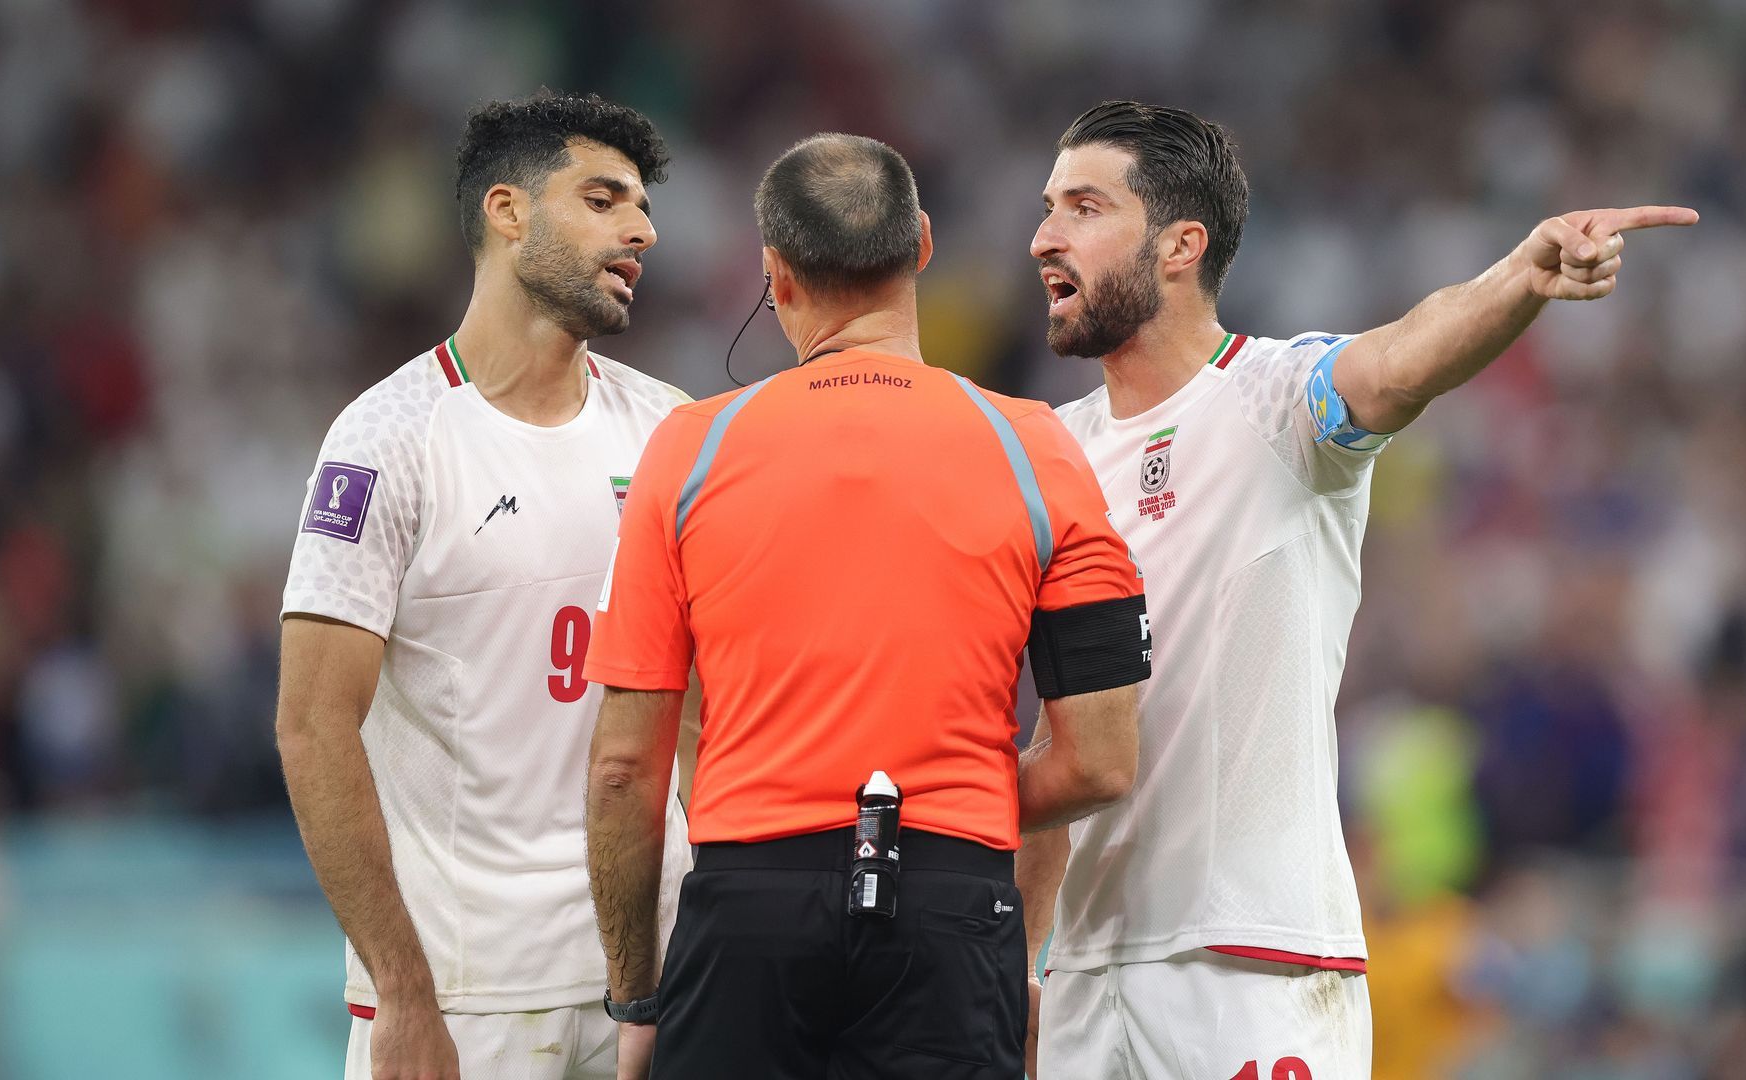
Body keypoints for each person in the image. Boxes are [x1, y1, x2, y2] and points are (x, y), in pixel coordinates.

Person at [1017, 99, 1698, 1079]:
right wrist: (1025, 965)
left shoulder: (1277, 401)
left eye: (1084, 207)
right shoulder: (1052, 456)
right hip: (1085, 978)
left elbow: (1400, 361)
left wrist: (1520, 278)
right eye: (1049, 207)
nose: (1044, 237)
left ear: (1179, 245)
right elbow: (1061, 731)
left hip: (1252, 964)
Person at [581, 133, 1149, 1080]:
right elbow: (1100, 759)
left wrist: (639, 999)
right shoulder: (1035, 447)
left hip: (747, 908)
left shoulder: (688, 450)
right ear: (921, 242)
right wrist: (945, 809)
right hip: (951, 909)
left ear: (775, 275)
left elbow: (622, 771)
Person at [275, 91, 695, 1080]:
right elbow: (312, 726)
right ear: (507, 212)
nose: (642, 231)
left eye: (642, 208)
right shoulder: (387, 441)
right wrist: (402, 991)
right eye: (603, 199)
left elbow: (707, 710)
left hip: (658, 974)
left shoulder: (670, 430)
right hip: (469, 995)